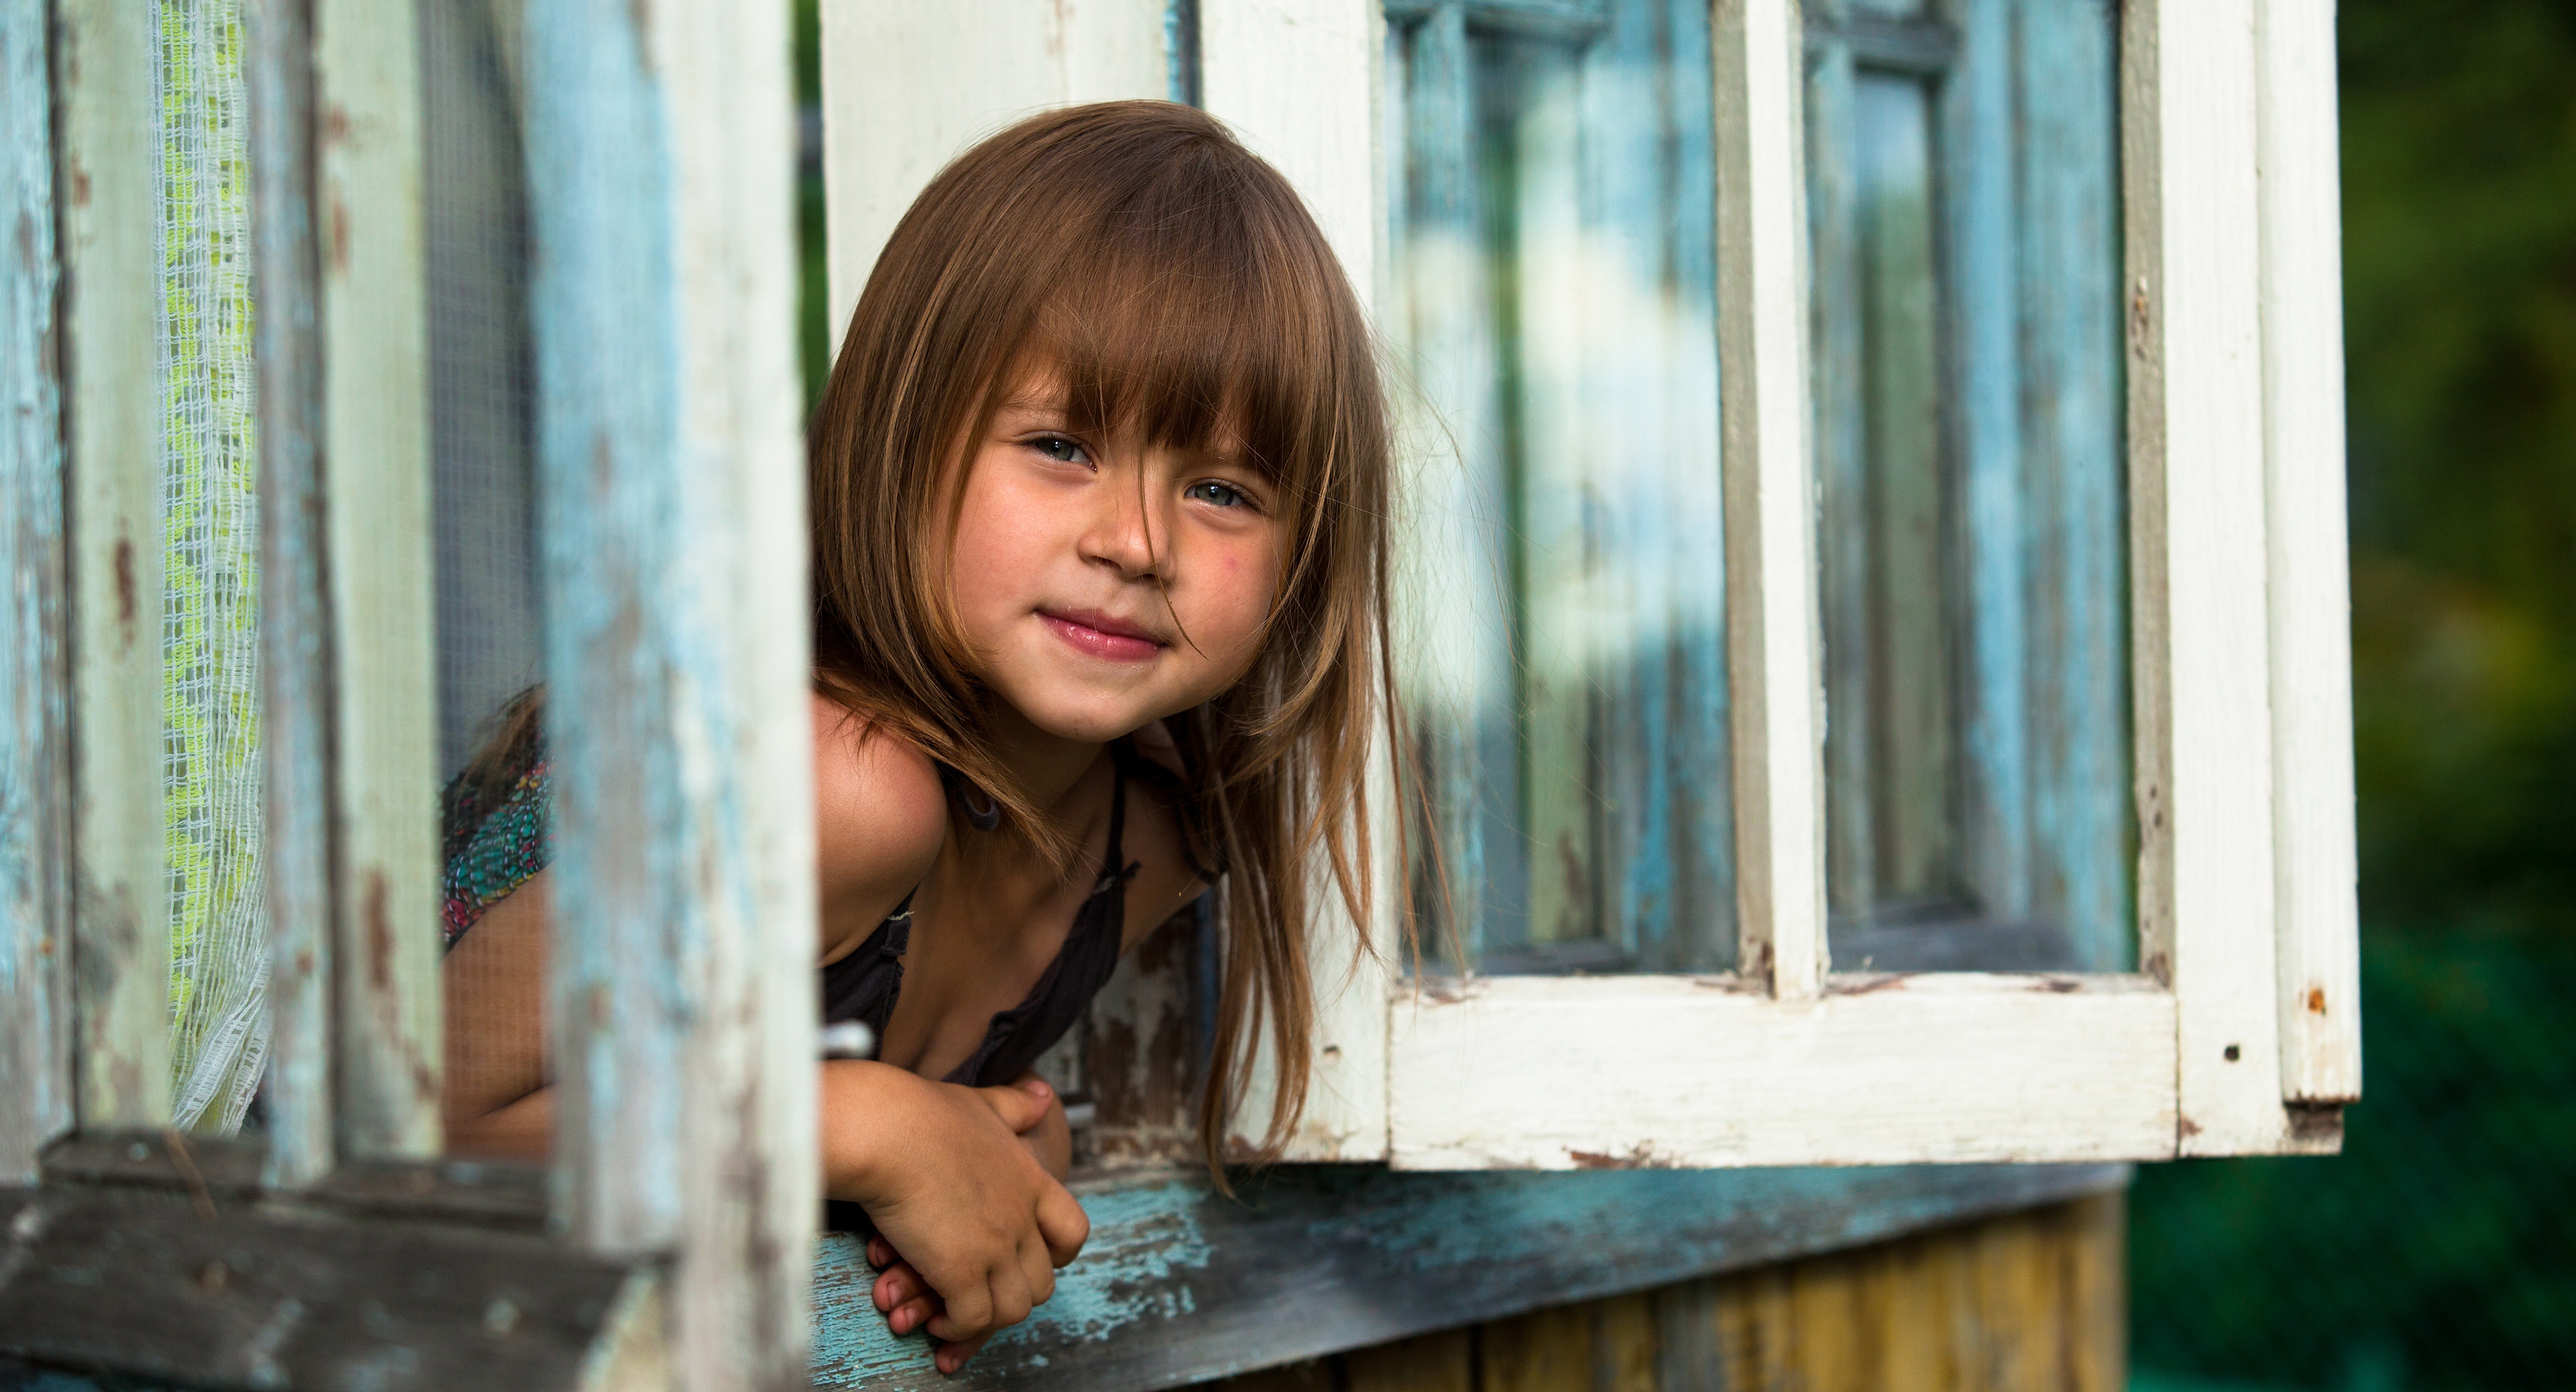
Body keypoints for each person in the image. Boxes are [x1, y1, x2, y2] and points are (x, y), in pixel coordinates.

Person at [435, 100, 1399, 1374]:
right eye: (1060, 445)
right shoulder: (834, 784)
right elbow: (405, 1128)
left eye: (1221, 489)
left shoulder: (1152, 841)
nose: (1138, 542)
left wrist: (990, 1148)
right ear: (903, 439)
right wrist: (864, 1126)